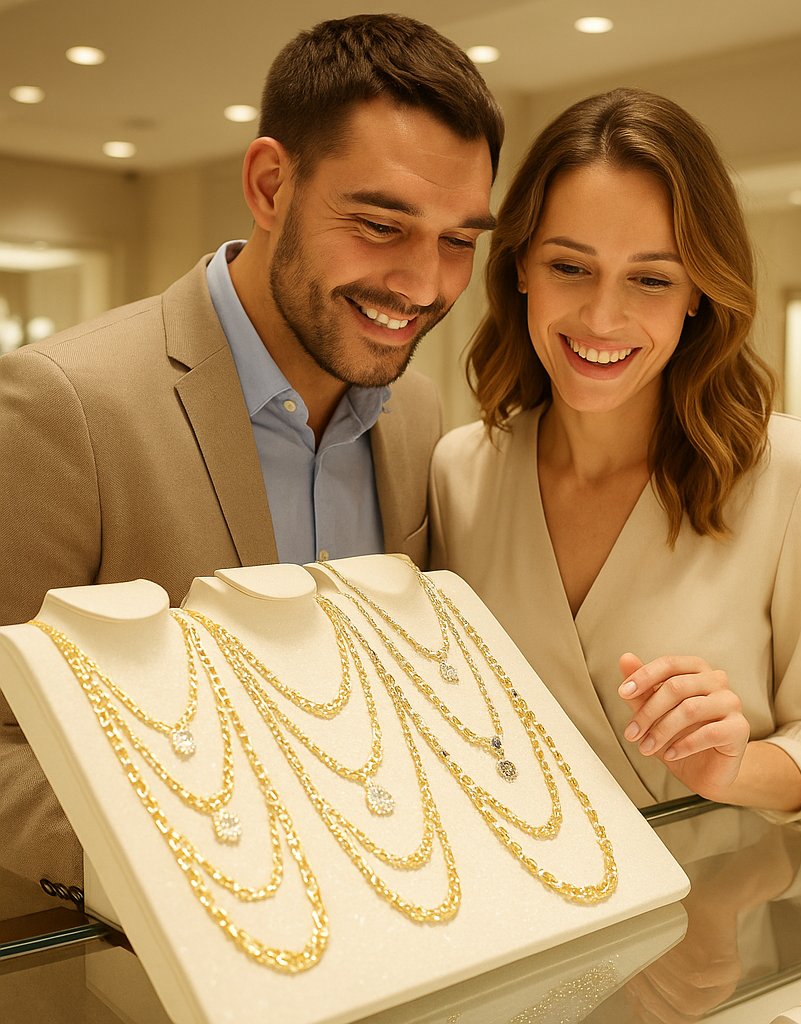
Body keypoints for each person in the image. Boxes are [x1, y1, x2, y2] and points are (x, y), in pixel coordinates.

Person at [0, 14, 503, 889]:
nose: (426, 284)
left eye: (459, 239)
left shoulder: (417, 411)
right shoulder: (63, 404)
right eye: (383, 224)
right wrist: (239, 863)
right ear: (271, 186)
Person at [429, 87, 801, 820]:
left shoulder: (791, 473)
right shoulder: (459, 473)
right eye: (569, 268)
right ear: (520, 269)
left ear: (697, 293)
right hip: (514, 911)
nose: (603, 317)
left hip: (708, 917)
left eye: (650, 278)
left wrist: (736, 767)